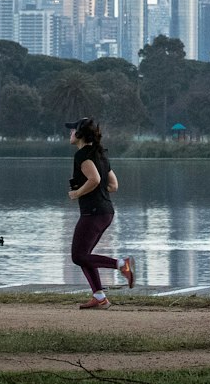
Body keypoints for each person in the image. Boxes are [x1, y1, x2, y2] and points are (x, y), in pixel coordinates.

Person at [66, 117, 135, 308]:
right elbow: (113, 185)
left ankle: (122, 264)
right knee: (84, 255)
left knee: (78, 256)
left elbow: (95, 179)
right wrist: (94, 191)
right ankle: (99, 298)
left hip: (94, 213)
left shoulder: (82, 155)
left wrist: (77, 193)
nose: (70, 134)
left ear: (79, 134)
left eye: (72, 131)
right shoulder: (101, 154)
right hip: (106, 212)